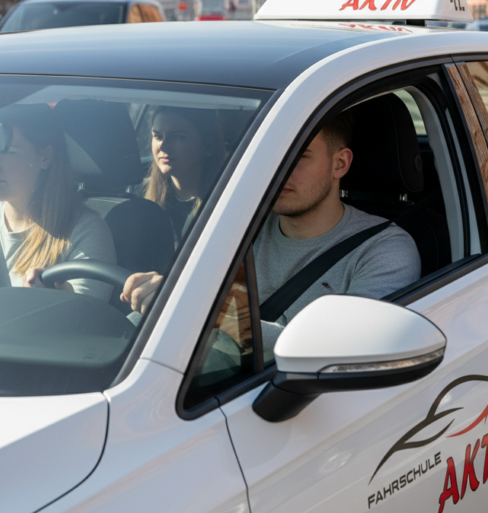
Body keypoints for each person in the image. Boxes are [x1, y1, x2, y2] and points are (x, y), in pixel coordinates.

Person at [121, 113, 421, 349]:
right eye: (273, 154)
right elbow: (186, 297)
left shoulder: (384, 249)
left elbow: (344, 350)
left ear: (339, 163)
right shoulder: (241, 227)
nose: (279, 169)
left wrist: (193, 313)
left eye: (301, 156)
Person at [0, 104, 117, 300]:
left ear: (45, 157)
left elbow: (84, 321)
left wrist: (56, 300)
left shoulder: (84, 233)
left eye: (6, 152)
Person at [142, 106, 225, 244]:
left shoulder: (228, 203)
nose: (163, 145)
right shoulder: (141, 196)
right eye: (157, 136)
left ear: (207, 145)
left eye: (177, 136)